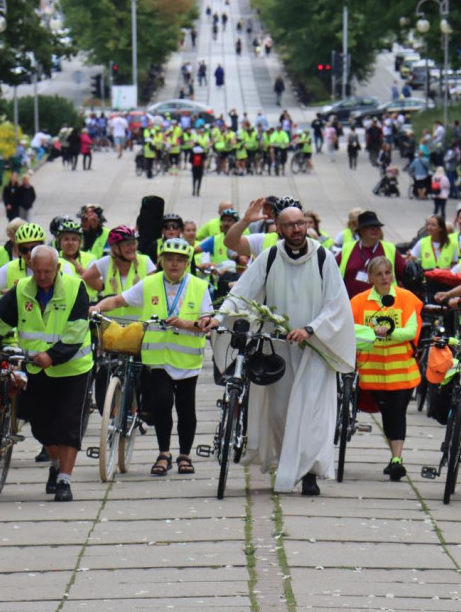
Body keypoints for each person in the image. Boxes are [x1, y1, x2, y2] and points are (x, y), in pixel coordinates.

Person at [207, 204, 356, 496]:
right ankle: (287, 463)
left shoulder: (323, 257)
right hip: (278, 347)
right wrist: (219, 316)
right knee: (279, 411)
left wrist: (310, 329)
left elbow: (337, 303)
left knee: (312, 411)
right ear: (278, 227)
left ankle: (311, 473)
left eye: (301, 223)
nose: (297, 229)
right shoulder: (270, 256)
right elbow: (243, 292)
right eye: (290, 225)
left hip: (315, 347)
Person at [0, 246, 92, 502]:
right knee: (41, 427)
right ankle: (55, 463)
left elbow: (76, 332)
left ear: (57, 268)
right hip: (35, 368)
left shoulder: (76, 288)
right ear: (31, 266)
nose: (42, 276)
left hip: (72, 368)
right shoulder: (22, 290)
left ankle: (64, 479)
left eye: (47, 271)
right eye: (37, 270)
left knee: (67, 425)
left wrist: (52, 355)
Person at [92, 238, 213, 477]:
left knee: (186, 408)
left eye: (179, 260)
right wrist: (98, 308)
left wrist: (186, 323)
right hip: (157, 359)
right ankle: (164, 453)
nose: (174, 265)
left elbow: (207, 322)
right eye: (169, 260)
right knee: (162, 402)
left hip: (188, 361)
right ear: (161, 261)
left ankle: (185, 455)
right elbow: (119, 299)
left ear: (187, 263)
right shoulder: (149, 283)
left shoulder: (200, 286)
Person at [350, 256, 423, 480]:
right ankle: (394, 458)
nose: (384, 277)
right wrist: (371, 333)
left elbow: (411, 331)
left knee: (397, 414)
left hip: (402, 373)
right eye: (379, 274)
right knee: (388, 415)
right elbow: (350, 329)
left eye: (388, 272)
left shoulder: (405, 298)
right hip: (373, 374)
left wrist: (388, 332)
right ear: (370, 277)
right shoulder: (360, 301)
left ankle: (396, 459)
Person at [81, 226, 157, 323]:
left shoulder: (145, 261)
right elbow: (85, 278)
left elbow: (153, 290)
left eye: (133, 243)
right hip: (110, 325)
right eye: (127, 244)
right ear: (115, 248)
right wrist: (100, 287)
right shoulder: (106, 262)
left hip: (138, 325)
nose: (132, 248)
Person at [336, 210, 406, 298]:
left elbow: (404, 274)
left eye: (377, 227)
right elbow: (332, 274)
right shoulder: (347, 248)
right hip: (351, 304)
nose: (375, 229)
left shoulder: (389, 248)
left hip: (383, 305)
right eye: (370, 227)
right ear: (360, 230)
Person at [0, 223, 54, 302]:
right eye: (24, 249)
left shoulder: (62, 266)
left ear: (43, 246)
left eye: (34, 248)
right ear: (18, 250)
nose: (29, 253)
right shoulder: (10, 268)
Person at [55, 218, 97, 298]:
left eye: (74, 239)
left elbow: (98, 286)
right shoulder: (54, 258)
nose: (70, 243)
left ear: (80, 242)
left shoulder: (90, 258)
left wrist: (80, 269)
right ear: (59, 242)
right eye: (66, 239)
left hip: (89, 304)